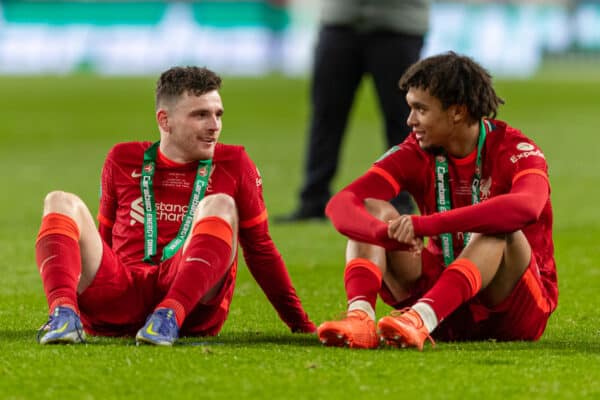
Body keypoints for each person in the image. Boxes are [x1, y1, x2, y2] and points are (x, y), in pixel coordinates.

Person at [35, 66, 316, 346]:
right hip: (122, 291)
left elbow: (260, 250)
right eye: (200, 115)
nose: (214, 125)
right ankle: (63, 315)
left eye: (218, 114)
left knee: (220, 204)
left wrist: (300, 323)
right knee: (59, 200)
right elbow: (101, 238)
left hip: (189, 303)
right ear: (165, 120)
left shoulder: (234, 163)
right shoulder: (122, 158)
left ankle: (168, 316)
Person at [317, 52, 558, 349]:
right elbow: (341, 204)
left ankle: (421, 317)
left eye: (420, 109)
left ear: (456, 112)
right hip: (444, 300)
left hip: (512, 308)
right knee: (372, 209)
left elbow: (526, 207)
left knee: (499, 226)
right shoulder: (415, 151)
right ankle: (360, 318)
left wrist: (425, 225)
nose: (410, 120)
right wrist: (384, 235)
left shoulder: (516, 149)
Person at [277, 0, 430, 222]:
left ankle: (401, 199)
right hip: (340, 22)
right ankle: (313, 200)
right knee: (326, 115)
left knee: (404, 119)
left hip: (398, 25)